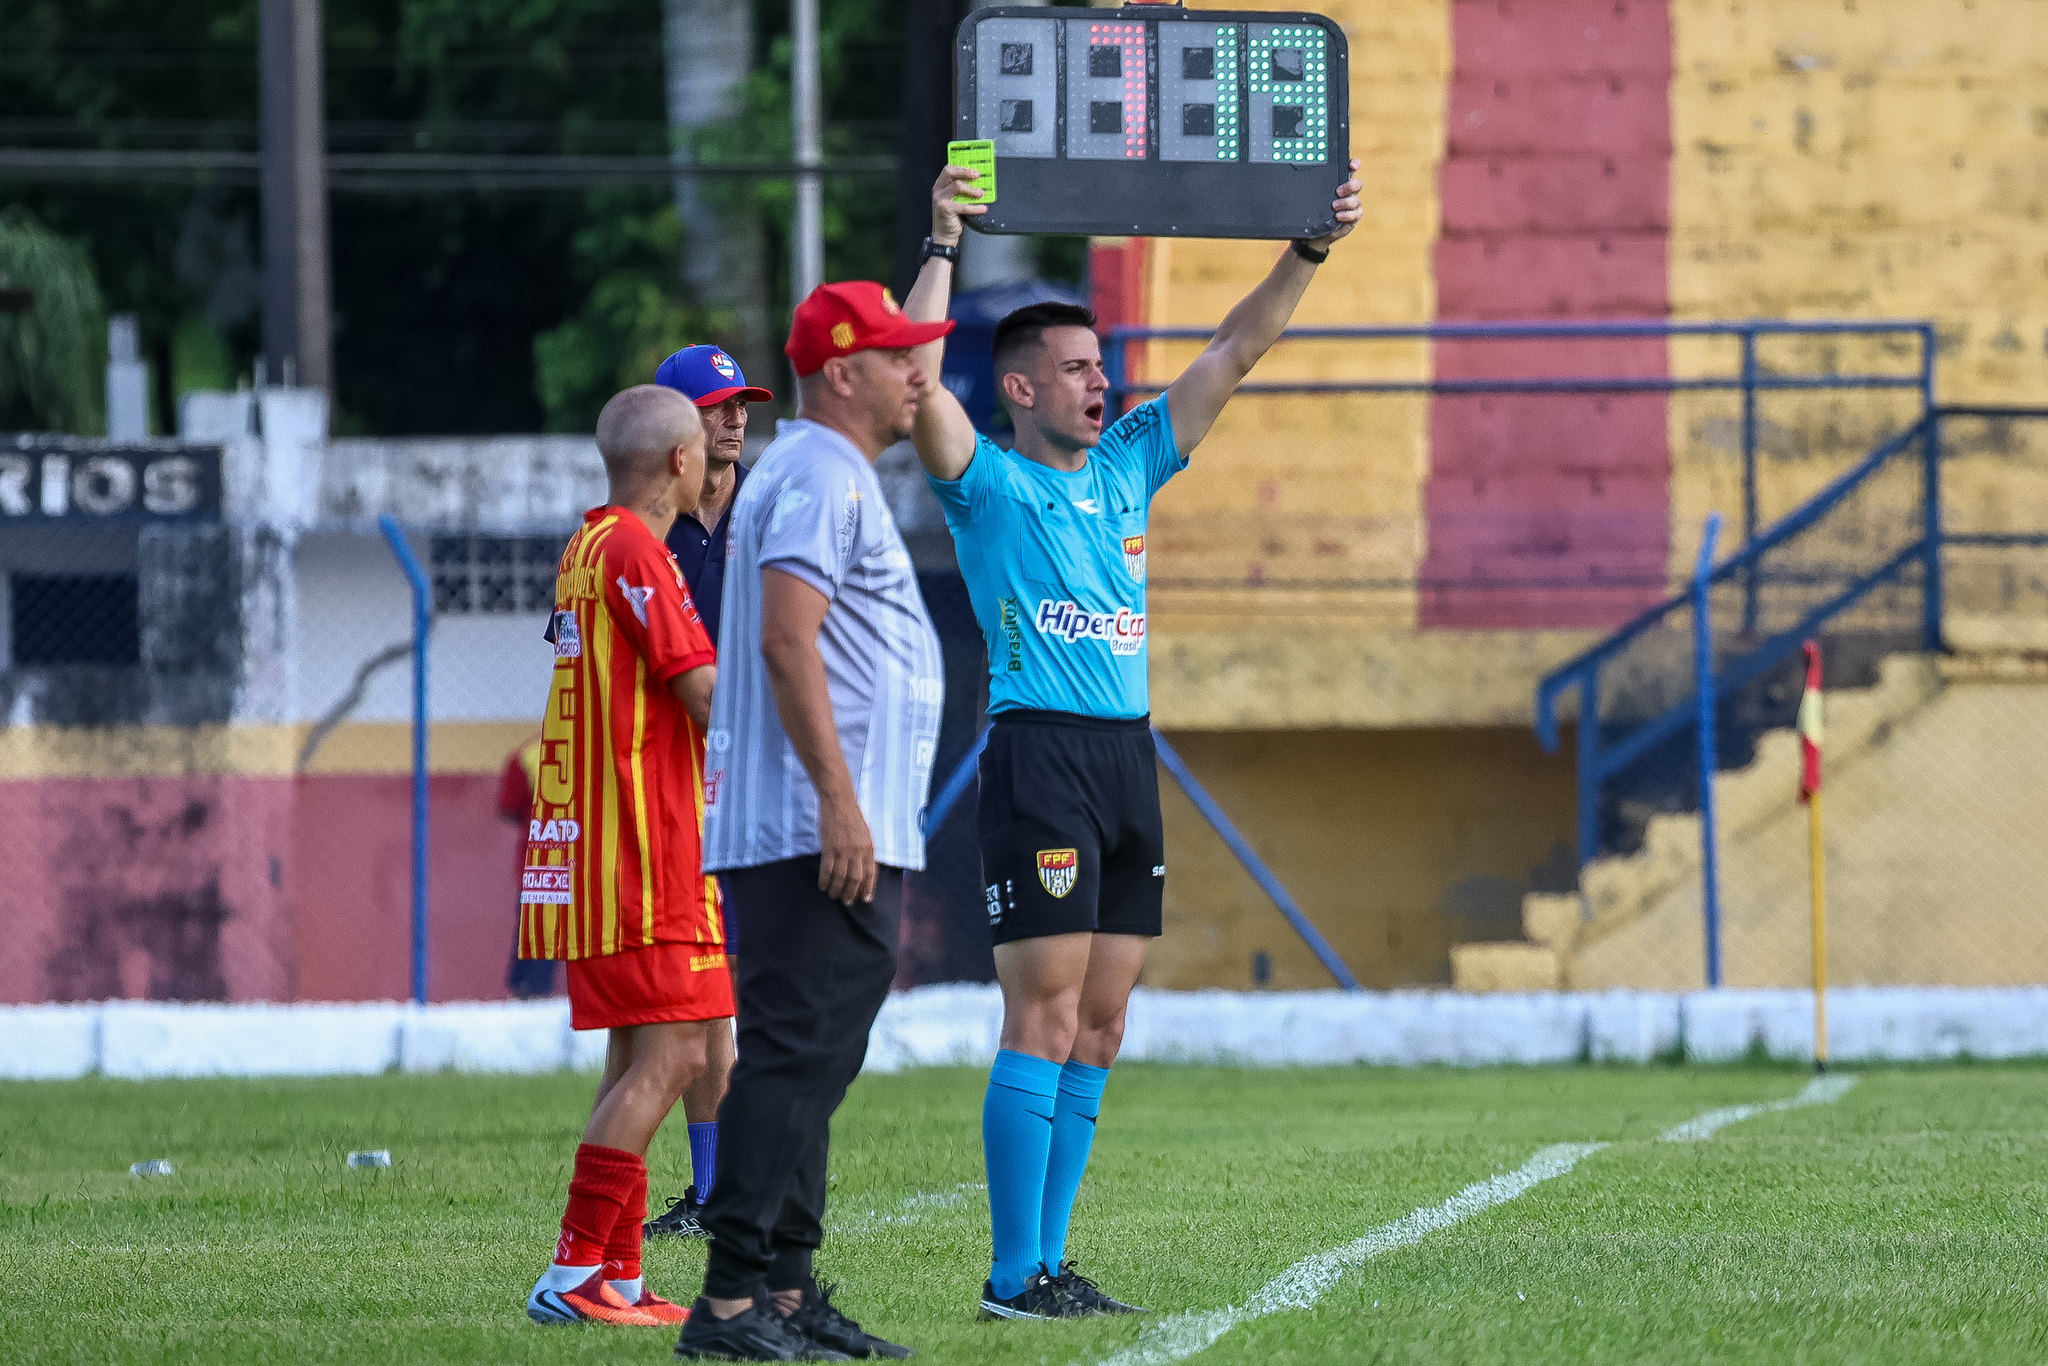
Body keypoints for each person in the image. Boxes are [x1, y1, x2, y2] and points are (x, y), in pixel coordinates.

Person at [904, 160, 1365, 1320]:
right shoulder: (987, 485)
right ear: (1016, 387)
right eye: (1073, 369)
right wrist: (943, 243)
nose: (1098, 382)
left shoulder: (1128, 465)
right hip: (1039, 754)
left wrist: (1306, 251)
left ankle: (1049, 1266)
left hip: (1124, 756)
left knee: (1102, 1023)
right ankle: (1011, 1275)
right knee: (1043, 1014)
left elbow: (1234, 352)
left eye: (1099, 365)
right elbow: (911, 381)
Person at [673, 281, 949, 1362]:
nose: (915, 371)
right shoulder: (816, 473)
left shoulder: (816, 471)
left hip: (831, 823)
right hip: (810, 826)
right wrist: (838, 800)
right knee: (793, 1056)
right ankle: (731, 1303)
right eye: (895, 355)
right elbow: (790, 640)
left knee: (813, 1057)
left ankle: (784, 1293)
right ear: (842, 372)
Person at [519, 385, 730, 1329]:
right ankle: (571, 1274)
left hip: (602, 846)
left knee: (640, 1057)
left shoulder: (587, 544)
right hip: (645, 849)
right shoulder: (641, 551)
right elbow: (701, 694)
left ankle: (617, 1275)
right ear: (681, 461)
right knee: (682, 1050)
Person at [640, 342, 776, 1242]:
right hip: (673, 785)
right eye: (717, 405)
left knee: (750, 987)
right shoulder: (643, 528)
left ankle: (744, 1188)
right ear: (677, 427)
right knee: (699, 994)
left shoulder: (774, 508)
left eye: (742, 403)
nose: (736, 417)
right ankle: (717, 1191)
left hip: (765, 774)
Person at [497, 734, 558, 999]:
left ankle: (525, 986)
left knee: (531, 920)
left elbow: (508, 807)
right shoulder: (588, 749)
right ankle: (538, 988)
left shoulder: (528, 755)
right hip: (577, 856)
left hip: (536, 855)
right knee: (554, 924)